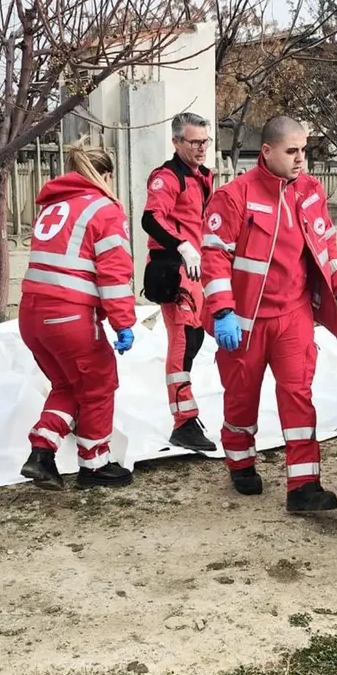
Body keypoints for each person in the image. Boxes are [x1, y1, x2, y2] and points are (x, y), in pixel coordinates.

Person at [200, 115, 337, 512]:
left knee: (298, 395)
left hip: (294, 314)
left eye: (304, 150)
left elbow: (326, 244)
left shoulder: (309, 191)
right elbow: (214, 256)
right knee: (241, 397)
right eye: (292, 151)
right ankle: (240, 461)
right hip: (245, 322)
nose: (301, 159)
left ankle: (303, 485)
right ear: (266, 152)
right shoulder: (234, 196)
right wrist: (222, 311)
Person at [16, 144, 138, 491]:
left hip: (31, 315)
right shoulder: (104, 209)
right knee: (99, 384)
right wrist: (123, 323)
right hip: (69, 317)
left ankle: (41, 452)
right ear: (107, 176)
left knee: (68, 385)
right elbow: (114, 275)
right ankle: (95, 464)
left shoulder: (53, 207)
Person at [141, 112, 218, 454]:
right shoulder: (167, 177)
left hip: (195, 271)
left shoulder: (200, 176)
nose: (202, 148)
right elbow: (150, 218)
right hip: (174, 269)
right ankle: (184, 421)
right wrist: (182, 246)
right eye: (195, 142)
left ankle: (185, 415)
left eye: (205, 141)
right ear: (176, 142)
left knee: (195, 337)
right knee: (183, 340)